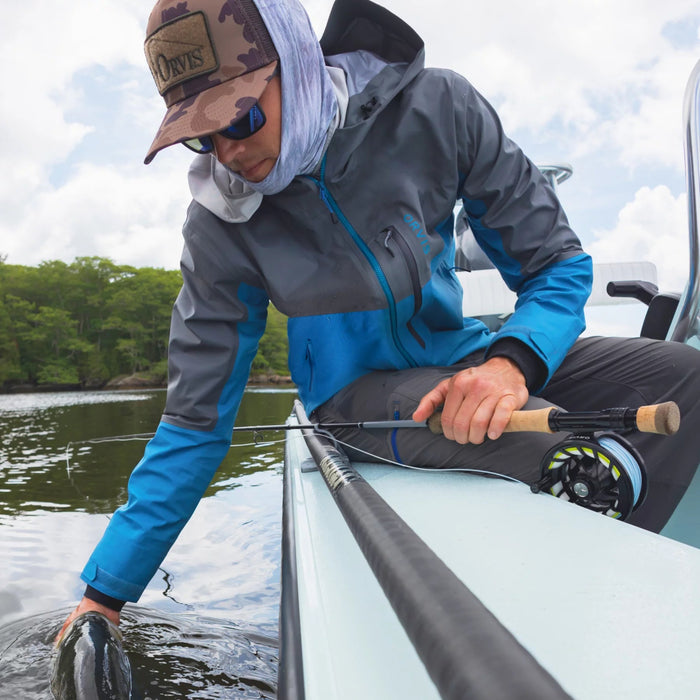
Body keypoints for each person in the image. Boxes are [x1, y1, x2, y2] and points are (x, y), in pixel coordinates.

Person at [59, 0, 700, 636]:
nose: (227, 153)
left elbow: (557, 263)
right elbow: (194, 423)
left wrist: (512, 363)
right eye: (202, 137)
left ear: (297, 64)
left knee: (686, 378)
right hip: (354, 398)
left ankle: (629, 597)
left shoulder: (440, 107)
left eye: (242, 116)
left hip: (470, 354)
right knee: (555, 453)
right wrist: (103, 595)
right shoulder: (218, 225)